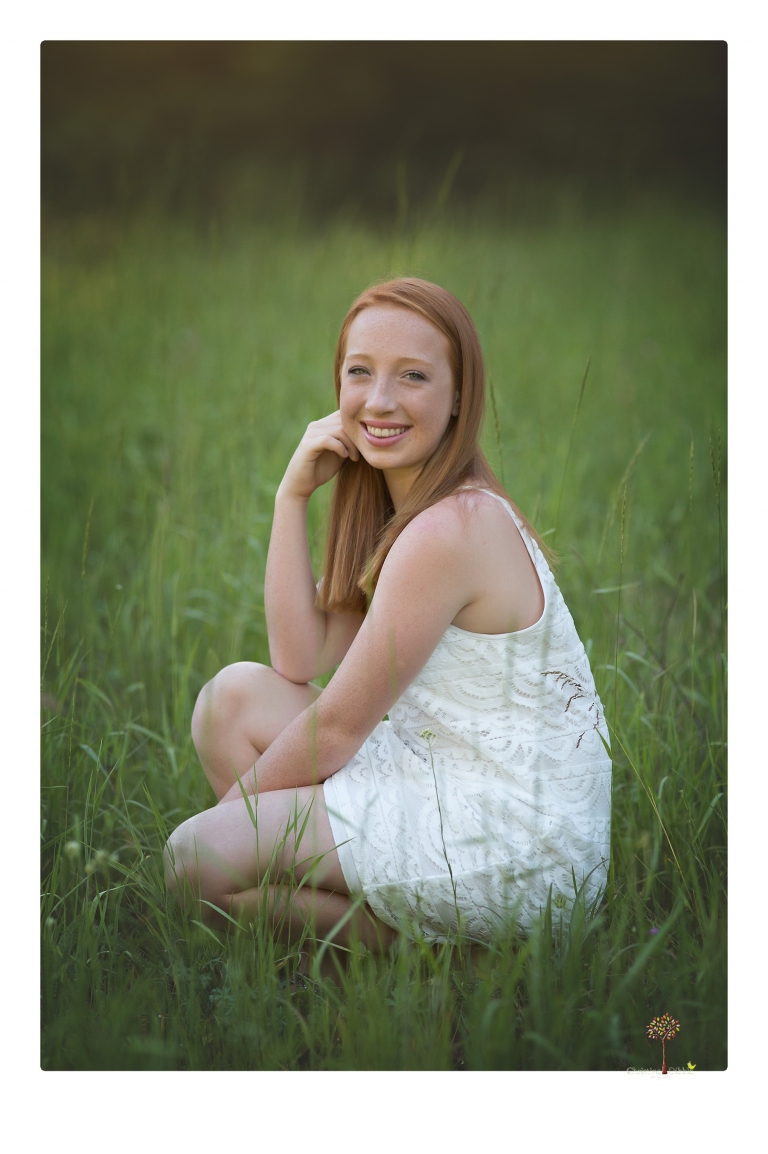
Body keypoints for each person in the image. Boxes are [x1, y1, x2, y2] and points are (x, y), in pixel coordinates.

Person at [165, 277, 612, 951]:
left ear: (460, 395)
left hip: (517, 842)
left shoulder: (451, 528)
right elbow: (299, 658)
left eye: (413, 376)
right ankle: (372, 915)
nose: (379, 400)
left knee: (192, 860)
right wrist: (292, 496)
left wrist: (230, 823)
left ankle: (427, 959)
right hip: (441, 773)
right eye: (359, 373)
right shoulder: (408, 511)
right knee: (231, 701)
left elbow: (339, 727)